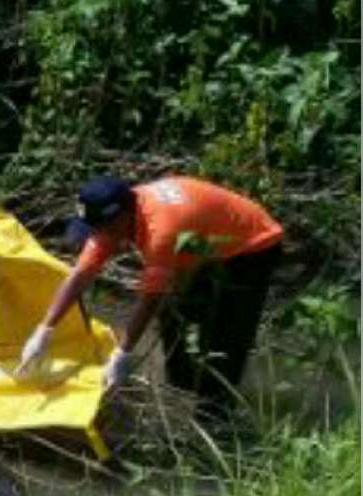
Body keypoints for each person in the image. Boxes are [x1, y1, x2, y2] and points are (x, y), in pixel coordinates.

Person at [18, 175, 283, 421]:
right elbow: (80, 275)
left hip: (252, 246)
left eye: (100, 229)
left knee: (224, 340)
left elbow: (150, 299)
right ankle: (182, 387)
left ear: (120, 218)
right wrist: (45, 330)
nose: (98, 237)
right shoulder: (117, 217)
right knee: (176, 316)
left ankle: (216, 417)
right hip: (205, 246)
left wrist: (122, 353)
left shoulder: (161, 231)